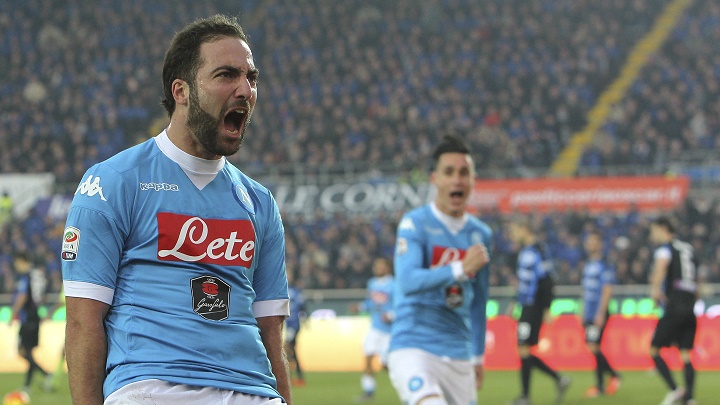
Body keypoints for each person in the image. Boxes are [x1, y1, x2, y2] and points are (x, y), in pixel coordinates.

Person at [60, 15, 292, 405]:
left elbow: (271, 331)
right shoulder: (113, 182)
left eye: (251, 78)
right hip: (152, 388)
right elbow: (84, 322)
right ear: (181, 91)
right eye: (226, 75)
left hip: (253, 392)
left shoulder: (259, 202)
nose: (245, 90)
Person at [387, 134, 491, 405]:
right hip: (414, 346)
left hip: (459, 352)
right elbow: (408, 281)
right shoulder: (415, 224)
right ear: (435, 179)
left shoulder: (481, 234)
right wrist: (459, 268)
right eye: (449, 172)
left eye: (464, 173)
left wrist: (478, 356)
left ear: (473, 180)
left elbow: (479, 301)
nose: (457, 179)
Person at [507, 216, 570, 405]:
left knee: (523, 348)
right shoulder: (525, 252)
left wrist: (547, 308)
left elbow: (547, 280)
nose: (513, 235)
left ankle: (526, 396)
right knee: (524, 349)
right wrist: (514, 302)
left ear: (524, 229)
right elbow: (523, 282)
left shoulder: (539, 250)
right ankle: (558, 379)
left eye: (515, 231)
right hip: (526, 305)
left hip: (534, 306)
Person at [648, 216, 699, 405]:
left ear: (662, 228)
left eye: (653, 230)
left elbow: (661, 267)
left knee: (653, 350)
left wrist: (654, 292)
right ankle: (690, 398)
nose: (652, 235)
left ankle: (675, 390)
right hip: (689, 305)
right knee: (685, 353)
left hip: (675, 304)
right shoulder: (688, 249)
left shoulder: (665, 249)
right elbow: (697, 278)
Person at [580, 231, 620, 398]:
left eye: (594, 241)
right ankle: (609, 378)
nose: (590, 244)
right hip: (588, 312)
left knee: (593, 346)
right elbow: (585, 290)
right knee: (593, 346)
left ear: (600, 244)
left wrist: (601, 313)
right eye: (589, 241)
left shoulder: (604, 264)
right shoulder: (588, 264)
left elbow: (607, 289)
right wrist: (582, 310)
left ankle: (604, 382)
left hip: (598, 312)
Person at [9, 251, 52, 393]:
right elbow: (42, 296)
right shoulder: (37, 275)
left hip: (28, 318)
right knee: (27, 352)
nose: (16, 266)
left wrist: (13, 314)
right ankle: (30, 384)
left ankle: (45, 375)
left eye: (17, 263)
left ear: (22, 261)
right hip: (34, 316)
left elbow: (22, 296)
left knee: (24, 351)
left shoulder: (26, 276)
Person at [356, 257, 394, 402]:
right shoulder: (372, 284)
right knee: (367, 357)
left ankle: (404, 379)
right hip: (375, 328)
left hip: (389, 331)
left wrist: (391, 315)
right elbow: (370, 303)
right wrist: (359, 307)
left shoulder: (393, 285)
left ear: (387, 268)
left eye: (381, 266)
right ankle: (368, 391)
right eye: (376, 266)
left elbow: (400, 305)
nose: (378, 268)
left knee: (386, 364)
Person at [284, 270, 306, 387]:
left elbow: (303, 307)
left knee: (287, 349)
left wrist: (305, 317)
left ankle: (290, 377)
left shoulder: (296, 291)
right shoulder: (283, 289)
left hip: (294, 325)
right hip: (287, 325)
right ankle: (298, 377)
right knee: (292, 351)